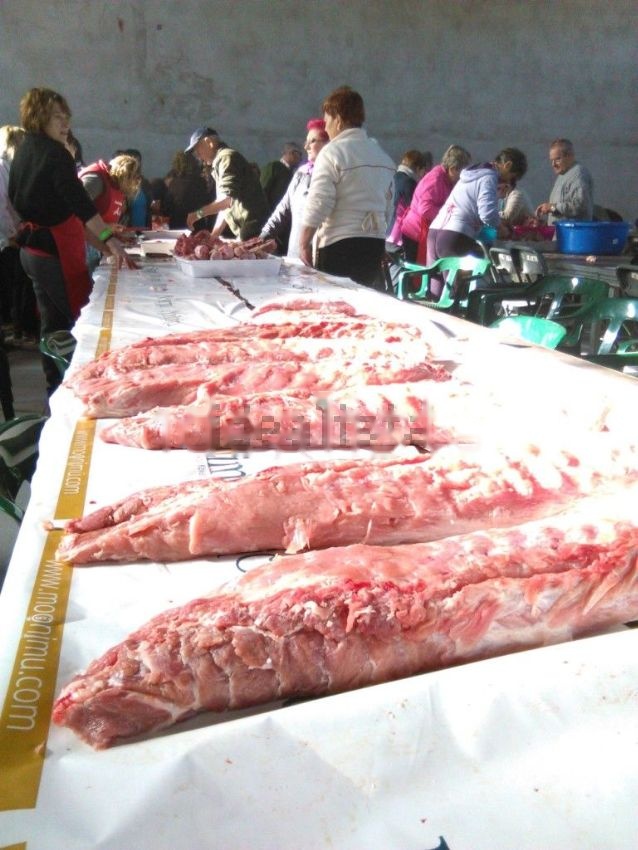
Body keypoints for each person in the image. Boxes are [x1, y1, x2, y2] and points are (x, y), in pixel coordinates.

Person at [8, 87, 130, 392]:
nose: (65, 124)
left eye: (66, 117)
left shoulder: (25, 148)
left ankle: (55, 386)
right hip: (52, 251)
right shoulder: (55, 153)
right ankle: (82, 388)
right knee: (79, 323)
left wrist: (105, 244)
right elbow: (80, 204)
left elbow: (17, 197)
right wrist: (109, 240)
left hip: (32, 248)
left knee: (52, 326)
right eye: (56, 117)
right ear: (38, 117)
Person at [299, 86, 396, 289]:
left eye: (327, 120)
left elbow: (319, 202)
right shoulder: (382, 157)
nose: (326, 128)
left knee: (334, 304)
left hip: (339, 246)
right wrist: (380, 237)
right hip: (373, 247)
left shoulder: (331, 153)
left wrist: (304, 242)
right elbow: (388, 206)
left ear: (338, 119)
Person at [427, 147, 527, 297]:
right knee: (455, 295)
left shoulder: (473, 174)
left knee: (436, 294)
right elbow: (487, 214)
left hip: (435, 231)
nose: (509, 181)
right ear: (507, 165)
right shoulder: (489, 177)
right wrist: (501, 227)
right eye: (512, 177)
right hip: (455, 236)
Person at [259, 118, 329, 258]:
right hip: (295, 253)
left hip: (320, 256)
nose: (306, 147)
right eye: (306, 141)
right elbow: (283, 210)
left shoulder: (334, 175)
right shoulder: (301, 174)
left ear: (328, 144)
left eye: (312, 141)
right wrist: (262, 238)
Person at [184, 127, 269, 240]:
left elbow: (225, 201)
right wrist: (213, 236)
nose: (197, 156)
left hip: (254, 230)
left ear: (209, 142)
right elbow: (225, 207)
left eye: (197, 149)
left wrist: (197, 215)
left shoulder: (226, 157)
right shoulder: (221, 161)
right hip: (249, 230)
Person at [0, 125, 39, 347]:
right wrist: (13, 234)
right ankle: (18, 330)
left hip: (17, 234)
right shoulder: (1, 168)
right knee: (15, 286)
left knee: (19, 284)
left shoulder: (12, 167)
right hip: (8, 239)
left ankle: (19, 329)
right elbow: (1, 207)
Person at [400, 144, 472, 263]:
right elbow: (425, 209)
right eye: (462, 172)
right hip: (415, 234)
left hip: (426, 233)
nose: (463, 177)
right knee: (416, 272)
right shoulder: (435, 179)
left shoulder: (448, 180)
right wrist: (448, 215)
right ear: (453, 169)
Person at [79, 154, 141, 271]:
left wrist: (112, 233)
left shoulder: (114, 184)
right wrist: (107, 240)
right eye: (130, 180)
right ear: (123, 175)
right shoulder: (95, 181)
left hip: (98, 243)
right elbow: (78, 218)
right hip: (82, 246)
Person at [536, 138, 593, 224]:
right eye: (552, 160)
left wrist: (552, 207)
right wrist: (548, 208)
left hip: (573, 231)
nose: (553, 164)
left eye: (557, 159)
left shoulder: (578, 175)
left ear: (570, 156)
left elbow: (579, 206)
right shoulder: (563, 175)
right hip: (563, 231)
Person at [386, 149, 432, 246]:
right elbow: (415, 210)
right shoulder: (409, 183)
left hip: (387, 231)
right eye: (424, 170)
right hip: (398, 236)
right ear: (418, 168)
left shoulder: (394, 176)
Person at [161, 150, 211, 229]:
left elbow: (167, 208)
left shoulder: (174, 183)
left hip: (177, 225)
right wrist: (198, 215)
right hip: (197, 224)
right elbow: (207, 204)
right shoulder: (201, 182)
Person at [260, 142, 303, 212]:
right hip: (270, 214)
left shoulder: (293, 174)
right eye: (300, 154)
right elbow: (262, 191)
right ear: (292, 153)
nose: (301, 159)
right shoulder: (273, 167)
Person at [123, 148, 153, 228]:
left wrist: (154, 205)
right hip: (126, 230)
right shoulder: (122, 183)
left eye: (139, 161)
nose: (137, 165)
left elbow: (150, 204)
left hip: (144, 230)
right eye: (134, 161)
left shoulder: (144, 183)